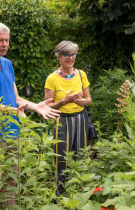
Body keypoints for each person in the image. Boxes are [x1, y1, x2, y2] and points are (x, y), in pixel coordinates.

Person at [0, 22, 60, 206]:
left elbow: (15, 98)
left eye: (7, 40)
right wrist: (14, 111)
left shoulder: (8, 64)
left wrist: (35, 106)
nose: (5, 44)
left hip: (12, 132)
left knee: (11, 181)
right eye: (0, 40)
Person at [44, 40, 92, 195]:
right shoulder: (52, 78)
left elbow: (89, 99)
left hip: (81, 118)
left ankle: (81, 193)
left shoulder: (81, 74)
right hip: (62, 120)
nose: (71, 58)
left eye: (73, 54)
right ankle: (60, 196)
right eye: (67, 55)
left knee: (82, 156)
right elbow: (47, 106)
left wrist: (84, 102)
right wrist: (65, 101)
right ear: (59, 56)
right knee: (62, 159)